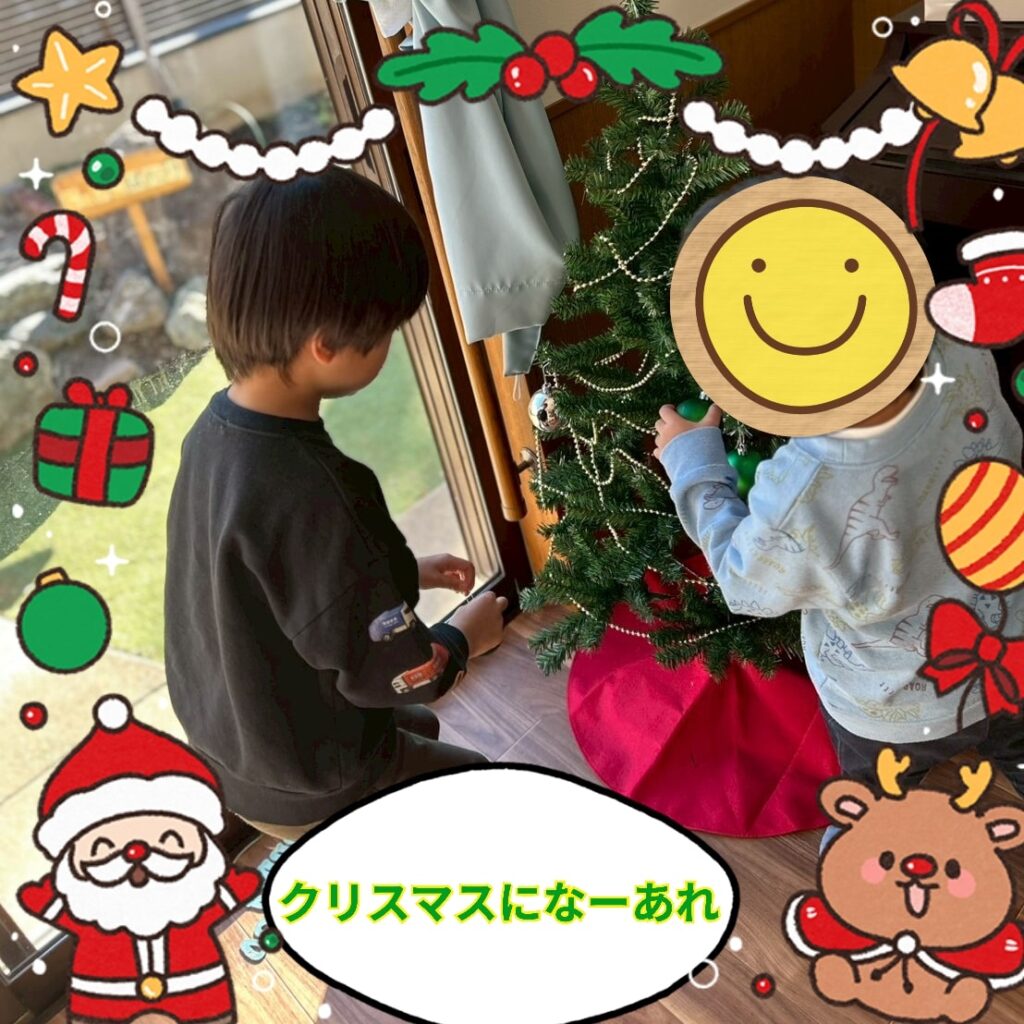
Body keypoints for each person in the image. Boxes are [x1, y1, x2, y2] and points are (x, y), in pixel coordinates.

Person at [165, 166, 506, 842]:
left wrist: (401, 576)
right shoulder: (321, 491)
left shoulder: (212, 434)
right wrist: (466, 637)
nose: (389, 345)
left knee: (417, 731)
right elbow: (408, 676)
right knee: (486, 786)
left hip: (239, 751)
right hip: (315, 782)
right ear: (325, 344)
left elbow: (289, 588)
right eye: (385, 332)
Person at [654, 335, 1024, 807]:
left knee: (876, 801)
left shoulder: (802, 493)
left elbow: (743, 580)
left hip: (890, 710)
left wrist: (693, 460)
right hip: (1011, 649)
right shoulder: (961, 350)